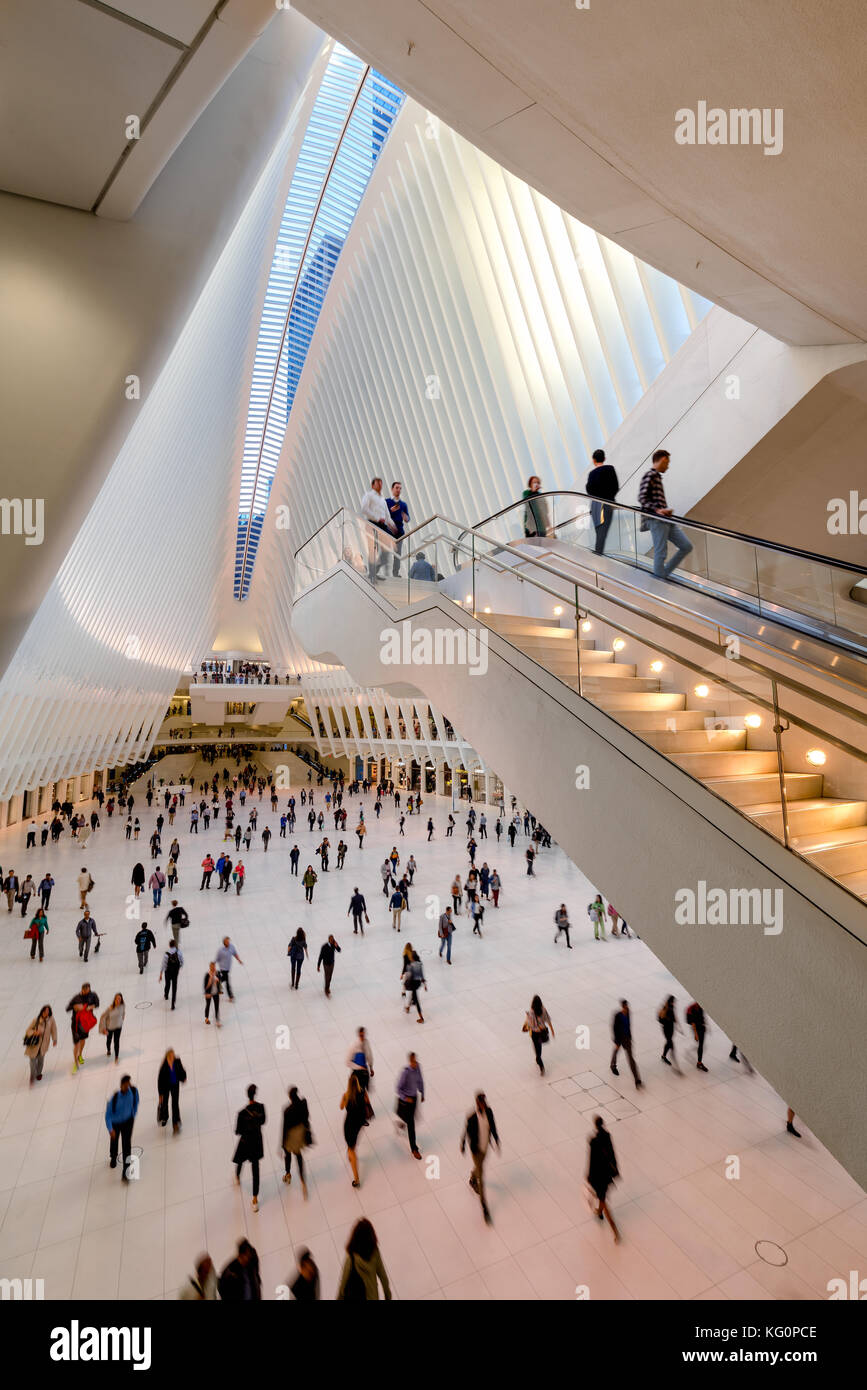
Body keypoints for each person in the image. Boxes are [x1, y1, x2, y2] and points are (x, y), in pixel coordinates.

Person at [638, 448, 693, 579]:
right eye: (667, 463)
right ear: (662, 460)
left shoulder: (657, 477)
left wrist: (664, 510)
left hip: (665, 519)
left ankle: (662, 575)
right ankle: (658, 581)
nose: (668, 467)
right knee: (661, 553)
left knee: (686, 546)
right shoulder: (650, 475)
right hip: (656, 519)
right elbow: (642, 498)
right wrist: (658, 510)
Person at [461, 1091, 500, 1224]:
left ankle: (472, 1178)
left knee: (478, 1168)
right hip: (476, 1149)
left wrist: (496, 1139)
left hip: (485, 1147)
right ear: (477, 1103)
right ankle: (484, 1207)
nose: (484, 1105)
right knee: (481, 1177)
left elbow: (493, 1126)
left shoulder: (489, 1112)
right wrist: (463, 1145)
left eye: (485, 1102)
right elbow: (465, 1132)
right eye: (481, 1103)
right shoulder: (471, 1117)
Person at [337, 1219, 392, 1301]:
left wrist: (339, 1297)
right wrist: (387, 1295)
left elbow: (343, 1282)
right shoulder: (375, 1252)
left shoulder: (351, 1256)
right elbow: (383, 1276)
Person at [587, 1115, 620, 1242]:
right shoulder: (607, 1136)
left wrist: (589, 1176)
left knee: (604, 1201)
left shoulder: (593, 1141)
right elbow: (612, 1154)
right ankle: (599, 1212)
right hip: (606, 1174)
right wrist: (615, 1170)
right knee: (602, 1197)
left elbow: (591, 1161)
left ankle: (615, 1232)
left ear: (595, 1125)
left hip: (597, 1175)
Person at [233, 1084, 266, 1212]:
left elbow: (237, 1131)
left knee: (240, 1160)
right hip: (256, 1142)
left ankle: (237, 1177)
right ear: (255, 1094)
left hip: (245, 1142)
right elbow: (263, 1122)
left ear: (247, 1095)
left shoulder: (241, 1113)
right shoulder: (261, 1108)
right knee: (255, 1171)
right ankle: (254, 1199)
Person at [359, 476, 397, 580]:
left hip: (382, 525)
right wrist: (377, 518)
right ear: (373, 485)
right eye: (378, 483)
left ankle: (374, 571)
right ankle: (372, 574)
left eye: (381, 483)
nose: (380, 485)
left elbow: (387, 515)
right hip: (372, 523)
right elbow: (364, 509)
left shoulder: (382, 500)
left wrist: (392, 526)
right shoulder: (369, 495)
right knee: (373, 550)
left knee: (387, 549)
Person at [586, 448, 620, 555]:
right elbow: (615, 486)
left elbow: (589, 490)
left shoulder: (591, 474)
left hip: (595, 506)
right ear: (604, 458)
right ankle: (597, 556)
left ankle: (597, 555)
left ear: (593, 460)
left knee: (599, 532)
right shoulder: (610, 469)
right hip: (608, 504)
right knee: (602, 533)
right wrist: (609, 497)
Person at [105, 1074, 139, 1181]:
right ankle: (113, 1156)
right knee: (114, 1141)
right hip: (116, 1123)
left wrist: (133, 1113)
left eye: (128, 1084)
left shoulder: (133, 1092)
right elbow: (108, 1115)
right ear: (121, 1085)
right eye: (125, 1084)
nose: (127, 1086)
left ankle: (126, 1171)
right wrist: (110, 1129)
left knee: (126, 1145)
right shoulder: (114, 1098)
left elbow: (136, 1102)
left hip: (128, 1122)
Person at [340, 1071, 367, 1187]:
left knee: (351, 1149)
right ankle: (351, 1153)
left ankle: (356, 1179)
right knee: (353, 1144)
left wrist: (344, 1099)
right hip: (358, 1124)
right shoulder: (362, 1093)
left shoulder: (346, 1096)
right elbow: (366, 1104)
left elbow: (341, 1107)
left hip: (349, 1125)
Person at [395, 1053, 425, 1159]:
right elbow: (398, 1088)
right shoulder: (405, 1073)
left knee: (411, 1119)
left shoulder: (418, 1068)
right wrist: (405, 1097)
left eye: (415, 1061)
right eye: (412, 1061)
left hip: (414, 1098)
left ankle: (402, 1124)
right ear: (409, 1061)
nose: (414, 1063)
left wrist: (422, 1093)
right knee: (411, 1124)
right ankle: (414, 1149)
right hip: (407, 1100)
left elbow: (420, 1080)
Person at [281, 1086, 310, 1195]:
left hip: (291, 1136)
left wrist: (282, 1143)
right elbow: (307, 1117)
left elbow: (284, 1128)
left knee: (287, 1155)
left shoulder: (287, 1111)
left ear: (289, 1097)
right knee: (298, 1157)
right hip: (300, 1133)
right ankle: (303, 1182)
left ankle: (288, 1174)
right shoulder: (304, 1102)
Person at [66, 983, 99, 1073]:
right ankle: (75, 1063)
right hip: (76, 1024)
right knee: (76, 1043)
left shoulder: (92, 995)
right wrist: (75, 1007)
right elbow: (67, 1008)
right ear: (82, 990)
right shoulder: (76, 998)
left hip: (86, 1023)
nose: (87, 993)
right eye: (85, 992)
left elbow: (97, 1004)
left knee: (83, 1040)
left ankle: (80, 1055)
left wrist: (91, 1007)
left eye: (88, 991)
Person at [610, 999, 642, 1087]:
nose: (626, 1008)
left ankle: (637, 1079)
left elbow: (629, 1025)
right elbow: (614, 1028)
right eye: (625, 1006)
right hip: (619, 1038)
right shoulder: (617, 1015)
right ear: (622, 1006)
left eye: (627, 1006)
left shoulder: (628, 1013)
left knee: (631, 1058)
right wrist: (616, 1041)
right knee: (616, 1051)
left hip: (627, 1038)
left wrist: (630, 1036)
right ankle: (613, 1065)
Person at [24, 1004, 57, 1084]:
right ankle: (32, 1075)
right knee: (32, 1061)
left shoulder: (51, 1019)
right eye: (45, 1011)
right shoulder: (36, 1020)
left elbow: (54, 1029)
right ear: (42, 1011)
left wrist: (54, 1039)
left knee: (41, 1061)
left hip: (44, 1044)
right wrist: (34, 1032)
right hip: (34, 1045)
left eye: (48, 1011)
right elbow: (28, 1030)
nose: (46, 1013)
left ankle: (38, 1073)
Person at [157, 1048, 187, 1132]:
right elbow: (159, 1081)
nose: (173, 1056)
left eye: (173, 1055)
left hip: (175, 1085)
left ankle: (175, 1123)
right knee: (165, 1103)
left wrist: (184, 1077)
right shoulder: (164, 1066)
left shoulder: (177, 1061)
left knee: (175, 1104)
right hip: (166, 1087)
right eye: (171, 1055)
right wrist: (160, 1094)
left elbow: (182, 1070)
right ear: (168, 1056)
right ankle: (164, 1117)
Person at [523, 995, 554, 1075]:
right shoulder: (543, 1010)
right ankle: (538, 1057)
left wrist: (527, 1017)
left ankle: (541, 1065)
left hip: (534, 1033)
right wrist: (552, 1030)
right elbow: (548, 1020)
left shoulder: (531, 1013)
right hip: (542, 1032)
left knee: (537, 1050)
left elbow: (530, 1025)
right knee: (538, 1047)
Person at [386, 480, 409, 576]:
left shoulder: (403, 505)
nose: (398, 490)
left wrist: (404, 515)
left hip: (399, 533)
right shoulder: (386, 502)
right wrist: (391, 510)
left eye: (400, 488)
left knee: (397, 554)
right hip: (388, 531)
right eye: (397, 488)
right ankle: (384, 572)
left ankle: (395, 573)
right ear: (392, 489)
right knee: (385, 551)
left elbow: (407, 519)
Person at [99, 993, 125, 1063]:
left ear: (121, 999)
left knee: (116, 1042)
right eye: (116, 999)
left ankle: (116, 1057)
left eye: (119, 999)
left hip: (118, 1027)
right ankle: (108, 1050)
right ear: (114, 999)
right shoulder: (110, 1008)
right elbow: (103, 1017)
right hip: (110, 1028)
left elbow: (123, 1013)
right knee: (109, 1040)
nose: (118, 1000)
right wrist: (104, 1028)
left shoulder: (123, 1006)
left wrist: (122, 1019)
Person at [348, 1027, 374, 1094]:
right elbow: (347, 1061)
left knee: (363, 1090)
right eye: (361, 1036)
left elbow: (369, 1055)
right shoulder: (354, 1045)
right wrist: (358, 1067)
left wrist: (371, 1067)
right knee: (357, 1090)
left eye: (363, 1035)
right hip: (357, 1072)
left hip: (364, 1070)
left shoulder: (366, 1042)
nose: (362, 1037)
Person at [402, 951, 427, 1022]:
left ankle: (421, 1018)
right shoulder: (419, 964)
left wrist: (404, 983)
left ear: (412, 957)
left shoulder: (410, 965)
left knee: (416, 999)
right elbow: (422, 975)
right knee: (413, 995)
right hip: (417, 983)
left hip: (412, 983)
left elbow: (408, 976)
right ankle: (408, 1008)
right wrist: (425, 985)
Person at [216, 936, 243, 1000]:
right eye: (227, 942)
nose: (228, 943)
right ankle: (230, 996)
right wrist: (213, 964)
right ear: (224, 943)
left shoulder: (232, 947)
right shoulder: (221, 950)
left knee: (224, 979)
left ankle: (217, 983)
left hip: (228, 968)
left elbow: (234, 953)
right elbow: (217, 958)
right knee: (227, 981)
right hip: (223, 968)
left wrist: (239, 960)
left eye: (228, 941)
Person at [160, 941, 184, 1010]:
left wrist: (161, 974)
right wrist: (178, 968)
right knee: (174, 987)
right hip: (175, 972)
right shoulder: (179, 952)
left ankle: (166, 995)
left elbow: (163, 965)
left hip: (168, 972)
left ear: (169, 945)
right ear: (175, 945)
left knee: (167, 984)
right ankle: (173, 1004)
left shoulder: (166, 954)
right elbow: (182, 962)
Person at [686, 1001, 709, 1071]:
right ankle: (699, 1063)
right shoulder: (692, 1008)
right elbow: (692, 1023)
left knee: (701, 1045)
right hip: (697, 1028)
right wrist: (695, 1034)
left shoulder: (700, 1007)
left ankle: (699, 1062)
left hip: (701, 1027)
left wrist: (705, 1024)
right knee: (701, 1045)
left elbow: (702, 1016)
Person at [658, 995, 680, 1067]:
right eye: (673, 1002)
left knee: (669, 1042)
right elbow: (661, 1018)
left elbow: (674, 1016)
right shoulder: (665, 1008)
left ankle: (664, 1056)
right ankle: (671, 1056)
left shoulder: (672, 1007)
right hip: (666, 1028)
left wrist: (678, 1024)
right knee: (670, 1042)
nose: (674, 1003)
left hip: (671, 1028)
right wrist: (666, 1009)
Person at [203, 961, 222, 1026]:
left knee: (217, 1006)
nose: (213, 968)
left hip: (216, 992)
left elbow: (220, 982)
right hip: (209, 993)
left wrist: (218, 980)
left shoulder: (217, 973)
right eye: (212, 967)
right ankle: (207, 1018)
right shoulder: (207, 975)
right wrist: (210, 980)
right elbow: (205, 986)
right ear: (210, 967)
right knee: (208, 1005)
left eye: (214, 967)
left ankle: (217, 1021)